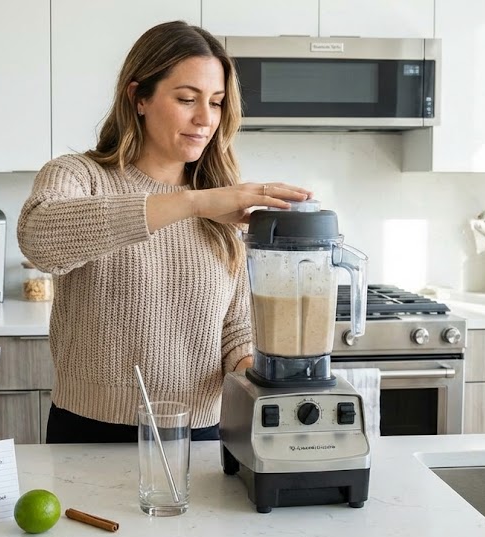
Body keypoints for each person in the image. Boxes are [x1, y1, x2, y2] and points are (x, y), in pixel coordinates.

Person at [17, 20, 310, 444]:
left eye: (217, 102)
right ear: (139, 98)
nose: (205, 119)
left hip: (202, 432)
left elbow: (234, 330)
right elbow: (41, 241)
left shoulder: (220, 204)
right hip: (90, 429)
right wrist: (195, 202)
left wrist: (262, 375)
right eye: (187, 99)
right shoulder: (79, 176)